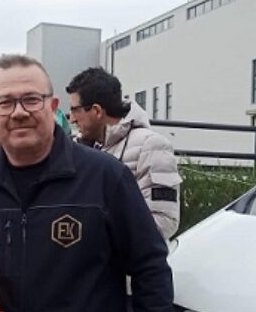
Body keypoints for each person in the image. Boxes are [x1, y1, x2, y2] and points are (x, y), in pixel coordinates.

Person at [0, 54, 173, 312]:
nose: (18, 112)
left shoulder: (106, 178)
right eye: (6, 103)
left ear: (53, 107)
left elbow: (149, 267)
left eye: (31, 100)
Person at [66, 67, 182, 240]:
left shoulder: (151, 146)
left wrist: (97, 237)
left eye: (75, 110)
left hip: (127, 257)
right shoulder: (77, 148)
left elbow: (164, 221)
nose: (72, 119)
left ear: (97, 111)